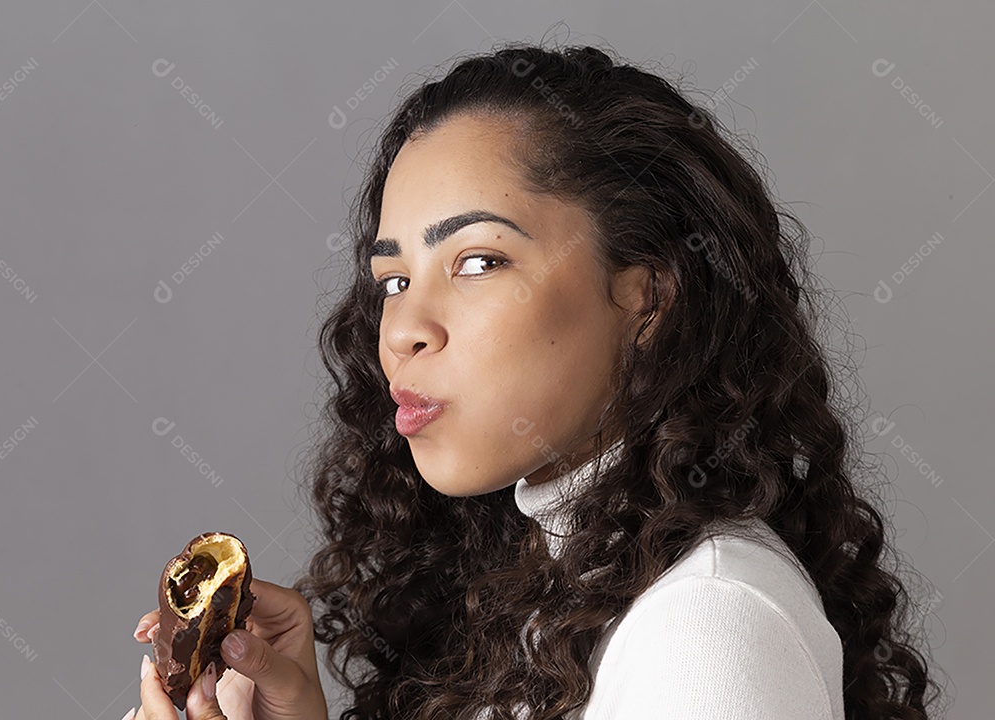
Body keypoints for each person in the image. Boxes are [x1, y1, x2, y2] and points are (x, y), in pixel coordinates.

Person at [128, 41, 945, 720]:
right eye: (393, 280)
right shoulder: (540, 601)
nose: (406, 327)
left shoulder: (706, 624)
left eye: (478, 261)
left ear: (648, 295)